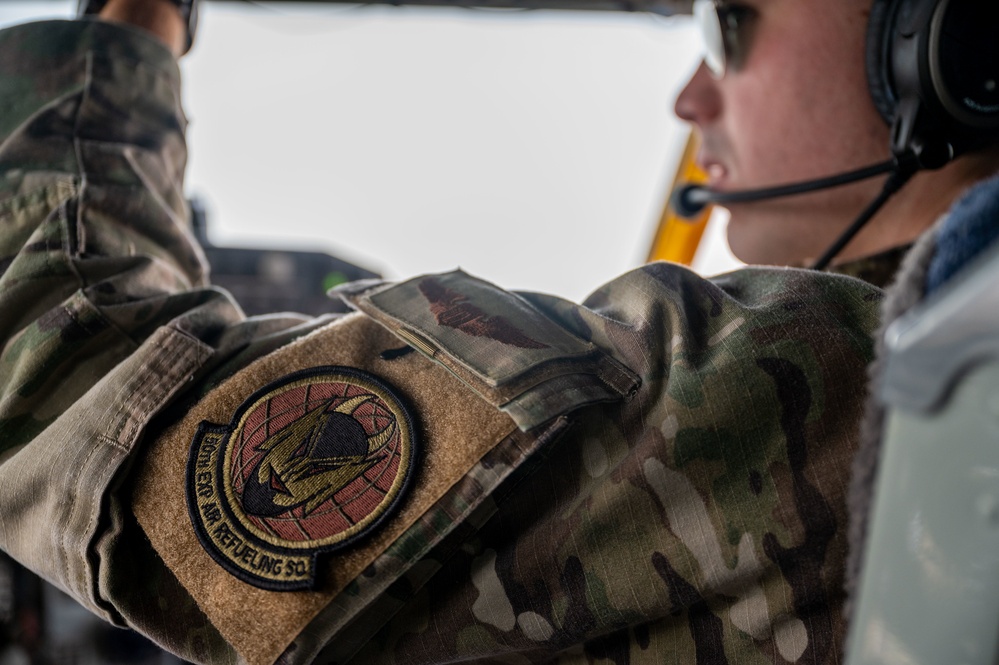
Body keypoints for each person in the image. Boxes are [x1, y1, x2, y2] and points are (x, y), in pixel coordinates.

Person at [0, 1, 994, 664]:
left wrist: (137, 24)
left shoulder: (846, 378)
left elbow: (72, 380)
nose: (691, 97)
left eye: (728, 23)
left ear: (952, 40)